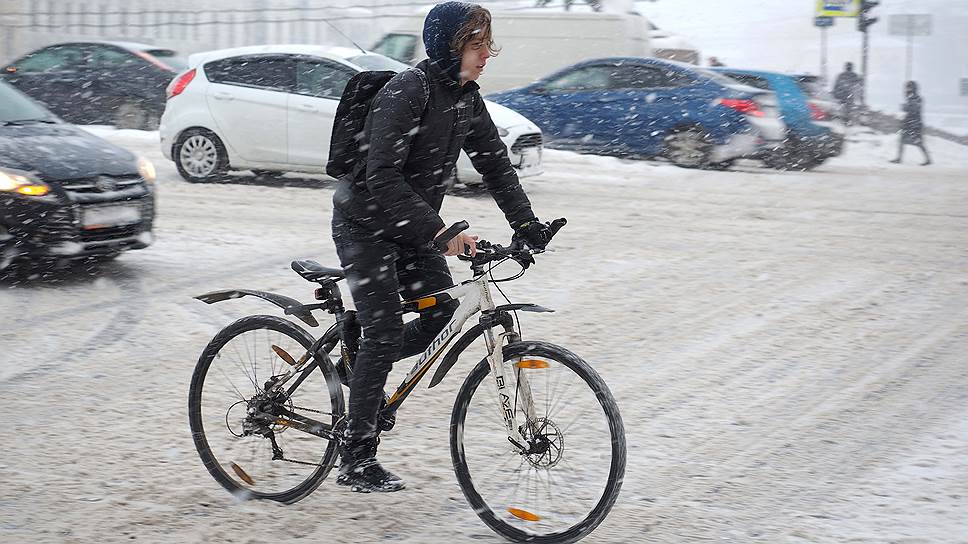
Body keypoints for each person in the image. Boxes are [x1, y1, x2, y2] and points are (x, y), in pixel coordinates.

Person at [330, 1, 552, 493]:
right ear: (449, 48)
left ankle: (361, 353)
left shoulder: (465, 98)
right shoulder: (406, 92)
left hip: (414, 228)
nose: (486, 55)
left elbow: (495, 165)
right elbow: (380, 176)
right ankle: (356, 454)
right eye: (477, 45)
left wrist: (527, 225)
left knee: (438, 316)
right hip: (364, 224)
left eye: (487, 45)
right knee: (386, 331)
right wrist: (443, 234)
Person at [890, 81, 931, 165]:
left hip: (914, 124)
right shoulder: (910, 98)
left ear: (914, 88)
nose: (908, 89)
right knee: (902, 140)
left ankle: (928, 159)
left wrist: (905, 107)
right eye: (907, 87)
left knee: (918, 142)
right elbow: (911, 109)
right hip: (909, 123)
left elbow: (914, 110)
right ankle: (899, 158)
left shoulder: (917, 98)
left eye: (909, 87)